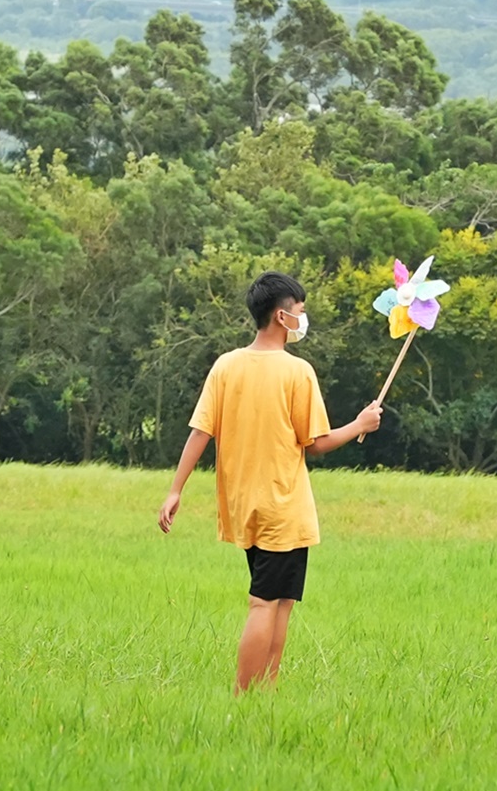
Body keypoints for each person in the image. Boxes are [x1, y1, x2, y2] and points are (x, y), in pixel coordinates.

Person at [158, 271, 382, 694]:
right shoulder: (297, 372)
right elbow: (315, 443)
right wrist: (361, 424)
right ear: (282, 316)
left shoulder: (226, 365)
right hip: (283, 506)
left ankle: (267, 690)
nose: (303, 318)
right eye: (300, 311)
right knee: (265, 603)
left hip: (245, 504)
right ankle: (245, 695)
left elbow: (200, 432)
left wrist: (176, 489)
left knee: (281, 603)